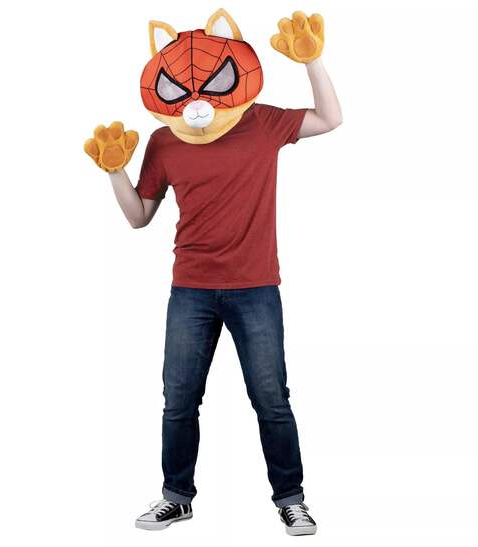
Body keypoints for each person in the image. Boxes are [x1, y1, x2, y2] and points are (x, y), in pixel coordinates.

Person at [84, 8, 342, 536]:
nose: (198, 95)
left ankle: (291, 499)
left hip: (256, 286)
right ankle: (176, 498)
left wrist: (312, 61)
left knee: (271, 399)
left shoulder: (262, 121)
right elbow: (139, 217)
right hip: (191, 288)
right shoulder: (164, 140)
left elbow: (329, 118)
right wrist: (115, 171)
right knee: (178, 401)